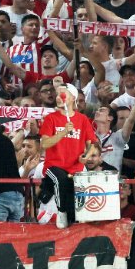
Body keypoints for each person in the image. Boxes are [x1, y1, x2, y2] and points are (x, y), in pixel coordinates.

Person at [38, 83, 96, 228]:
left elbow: (92, 145)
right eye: (58, 94)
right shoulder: (50, 118)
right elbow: (44, 144)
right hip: (54, 165)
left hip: (76, 167)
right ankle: (61, 212)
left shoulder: (82, 119)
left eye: (63, 94)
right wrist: (63, 132)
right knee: (60, 179)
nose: (59, 97)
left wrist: (86, 156)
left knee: (77, 198)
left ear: (72, 98)